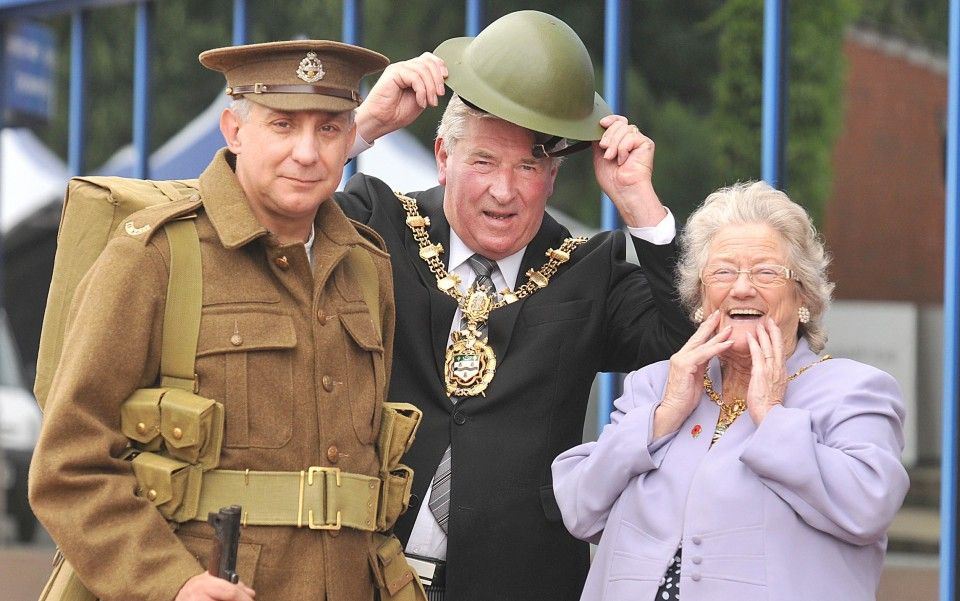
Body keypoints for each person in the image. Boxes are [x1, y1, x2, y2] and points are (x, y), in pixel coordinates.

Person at [29, 40, 415, 601]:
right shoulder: (157, 256)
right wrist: (173, 584)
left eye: (329, 129)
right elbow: (70, 466)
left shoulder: (365, 266)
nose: (307, 152)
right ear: (234, 130)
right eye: (283, 125)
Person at [332, 10, 693, 600]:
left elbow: (686, 338)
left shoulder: (588, 270)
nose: (505, 191)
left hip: (524, 583)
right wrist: (361, 127)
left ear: (553, 177)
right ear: (443, 155)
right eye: (484, 162)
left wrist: (641, 206)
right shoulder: (378, 222)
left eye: (529, 166)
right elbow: (264, 227)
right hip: (361, 574)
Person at [552, 180, 910, 601]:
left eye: (766, 271)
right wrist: (663, 416)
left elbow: (867, 508)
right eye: (723, 271)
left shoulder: (853, 391)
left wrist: (773, 417)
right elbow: (579, 507)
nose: (742, 288)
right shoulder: (656, 385)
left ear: (805, 297)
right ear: (701, 299)